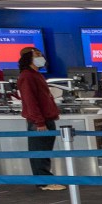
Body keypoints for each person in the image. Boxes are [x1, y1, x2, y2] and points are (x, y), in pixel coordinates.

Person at [15, 47, 64, 191]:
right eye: (37, 55)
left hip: (45, 119)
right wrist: (39, 122)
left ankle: (45, 179)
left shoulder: (35, 75)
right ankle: (44, 182)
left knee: (44, 151)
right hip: (39, 121)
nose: (41, 57)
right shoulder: (27, 76)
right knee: (39, 151)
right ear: (28, 58)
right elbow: (31, 101)